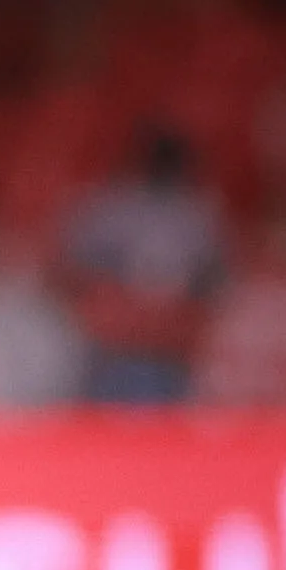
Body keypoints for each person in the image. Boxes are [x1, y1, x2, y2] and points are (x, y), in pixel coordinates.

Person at [59, 123, 228, 405]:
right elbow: (82, 292)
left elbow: (211, 303)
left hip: (172, 361)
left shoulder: (202, 217)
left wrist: (164, 324)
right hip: (110, 358)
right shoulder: (108, 208)